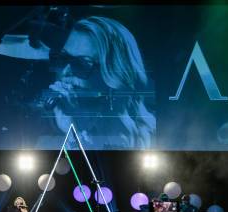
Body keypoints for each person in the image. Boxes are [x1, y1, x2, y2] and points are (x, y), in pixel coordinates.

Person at [42, 16, 155, 150]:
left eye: (82, 64)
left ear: (115, 73)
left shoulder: (133, 134)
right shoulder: (60, 121)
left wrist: (77, 130)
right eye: (63, 58)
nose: (66, 71)